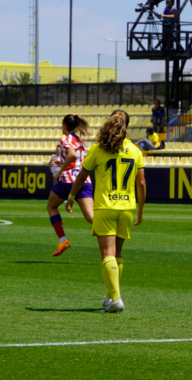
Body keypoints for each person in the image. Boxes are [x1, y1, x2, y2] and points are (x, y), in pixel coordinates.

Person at [65, 110, 146, 313]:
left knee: (106, 254)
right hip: (127, 208)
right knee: (117, 254)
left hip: (105, 206)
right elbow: (142, 183)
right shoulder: (135, 151)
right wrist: (141, 210)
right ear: (126, 126)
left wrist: (71, 197)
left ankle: (116, 298)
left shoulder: (99, 149)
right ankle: (111, 295)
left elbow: (82, 176)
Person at [48, 114, 94, 257]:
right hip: (84, 180)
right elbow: (78, 160)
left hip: (68, 180)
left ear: (64, 125)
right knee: (90, 217)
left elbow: (72, 155)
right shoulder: (80, 140)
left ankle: (63, 241)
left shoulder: (65, 140)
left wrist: (60, 171)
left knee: (51, 206)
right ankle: (112, 233)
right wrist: (63, 163)